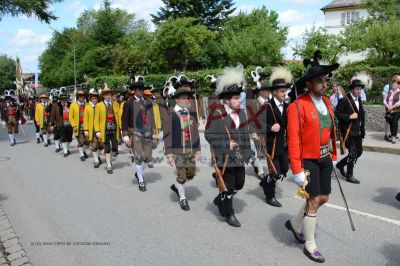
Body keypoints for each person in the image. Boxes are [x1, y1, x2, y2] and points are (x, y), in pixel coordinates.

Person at [285, 57, 339, 263]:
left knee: (323, 198)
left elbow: (332, 131)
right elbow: (293, 140)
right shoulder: (297, 106)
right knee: (314, 200)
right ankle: (310, 245)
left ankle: (295, 223)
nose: (324, 84)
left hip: (325, 157)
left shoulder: (326, 102)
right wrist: (297, 170)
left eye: (325, 80)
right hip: (308, 160)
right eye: (320, 81)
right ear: (308, 84)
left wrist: (333, 156)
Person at [205, 65, 252, 227]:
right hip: (224, 157)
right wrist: (226, 143)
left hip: (239, 157)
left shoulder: (243, 113)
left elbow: (245, 134)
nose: (240, 101)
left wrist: (248, 153)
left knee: (239, 184)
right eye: (236, 98)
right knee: (229, 185)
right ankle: (229, 213)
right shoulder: (216, 114)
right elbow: (209, 135)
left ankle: (220, 199)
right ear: (227, 100)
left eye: (240, 97)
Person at [163, 84, 201, 211]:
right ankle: (183, 198)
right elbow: (167, 135)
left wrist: (198, 149)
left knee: (191, 173)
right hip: (177, 151)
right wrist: (169, 154)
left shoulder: (191, 114)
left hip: (190, 150)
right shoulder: (170, 114)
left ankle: (177, 186)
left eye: (187, 98)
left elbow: (195, 133)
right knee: (182, 176)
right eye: (184, 98)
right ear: (177, 99)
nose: (187, 100)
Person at [259, 66, 292, 208]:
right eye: (282, 91)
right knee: (275, 172)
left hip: (284, 145)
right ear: (274, 92)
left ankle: (266, 180)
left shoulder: (287, 106)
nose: (284, 93)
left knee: (284, 169)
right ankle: (269, 196)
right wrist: (270, 128)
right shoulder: (267, 107)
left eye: (285, 90)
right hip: (272, 145)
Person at [122, 81, 155, 191]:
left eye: (143, 89)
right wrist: (125, 136)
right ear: (135, 90)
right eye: (140, 89)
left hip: (146, 132)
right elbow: (124, 120)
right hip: (134, 132)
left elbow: (151, 118)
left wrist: (154, 131)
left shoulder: (148, 102)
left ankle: (138, 173)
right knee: (138, 156)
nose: (142, 91)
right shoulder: (128, 103)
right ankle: (141, 180)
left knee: (147, 156)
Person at [336, 76, 367, 184]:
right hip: (348, 131)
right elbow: (338, 113)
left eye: (360, 89)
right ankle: (349, 175)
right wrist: (349, 116)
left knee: (359, 152)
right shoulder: (344, 100)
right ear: (352, 89)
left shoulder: (359, 100)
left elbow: (361, 116)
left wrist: (363, 131)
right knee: (353, 153)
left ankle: (340, 164)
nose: (359, 91)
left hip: (357, 131)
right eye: (357, 89)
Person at [94, 85, 121, 174]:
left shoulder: (116, 104)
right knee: (107, 148)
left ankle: (108, 158)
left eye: (110, 94)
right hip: (104, 130)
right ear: (104, 96)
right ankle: (109, 164)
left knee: (115, 148)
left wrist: (121, 128)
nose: (109, 96)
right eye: (107, 95)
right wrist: (97, 131)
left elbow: (119, 117)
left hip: (114, 129)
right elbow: (96, 119)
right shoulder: (99, 105)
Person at [83, 89, 103, 168]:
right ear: (90, 99)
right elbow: (85, 120)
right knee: (94, 146)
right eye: (93, 99)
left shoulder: (101, 106)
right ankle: (96, 160)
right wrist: (86, 130)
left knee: (101, 146)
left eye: (96, 98)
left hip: (100, 129)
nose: (94, 100)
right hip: (92, 130)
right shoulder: (87, 108)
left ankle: (97, 156)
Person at [70, 91, 89, 161]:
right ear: (78, 97)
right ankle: (81, 154)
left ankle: (84, 151)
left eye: (83, 97)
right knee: (81, 141)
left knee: (87, 141)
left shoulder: (88, 104)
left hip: (87, 125)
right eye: (81, 97)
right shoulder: (73, 105)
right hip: (78, 126)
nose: (82, 98)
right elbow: (71, 117)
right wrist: (73, 125)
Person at [384, 77, 400, 144]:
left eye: (394, 84)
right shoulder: (389, 91)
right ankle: (390, 135)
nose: (393, 85)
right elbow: (384, 100)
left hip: (396, 110)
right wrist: (387, 106)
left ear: (398, 85)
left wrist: (392, 107)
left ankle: (393, 137)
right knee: (390, 122)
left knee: (394, 123)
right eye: (392, 83)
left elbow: (399, 102)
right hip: (389, 110)